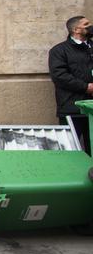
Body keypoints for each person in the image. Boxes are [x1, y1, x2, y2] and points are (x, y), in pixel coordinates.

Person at [49, 15, 93, 154]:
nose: (90, 26)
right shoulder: (59, 51)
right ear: (76, 29)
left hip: (92, 108)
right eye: (86, 24)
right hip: (72, 108)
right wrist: (86, 87)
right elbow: (60, 76)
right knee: (71, 149)